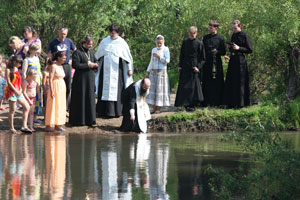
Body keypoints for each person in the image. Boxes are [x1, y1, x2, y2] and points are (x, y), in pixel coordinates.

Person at [95, 24, 134, 117]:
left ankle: (116, 111)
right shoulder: (105, 41)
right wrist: (96, 65)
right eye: (111, 33)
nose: (112, 35)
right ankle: (103, 111)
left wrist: (129, 69)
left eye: (114, 33)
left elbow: (128, 57)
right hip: (105, 70)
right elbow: (98, 55)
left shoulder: (122, 43)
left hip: (117, 71)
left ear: (118, 33)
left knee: (117, 89)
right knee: (103, 88)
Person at [174, 26, 206, 111]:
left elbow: (203, 58)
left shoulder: (199, 43)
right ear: (188, 33)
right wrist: (180, 65)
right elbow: (182, 54)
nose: (191, 36)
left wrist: (198, 67)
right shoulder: (185, 42)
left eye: (193, 34)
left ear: (196, 33)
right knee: (184, 86)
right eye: (190, 34)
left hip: (194, 66)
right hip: (185, 66)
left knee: (193, 87)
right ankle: (184, 103)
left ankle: (193, 104)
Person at [223, 20, 252, 108]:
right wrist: (230, 48)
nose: (234, 30)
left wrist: (238, 48)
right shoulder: (233, 35)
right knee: (232, 80)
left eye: (235, 28)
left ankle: (241, 103)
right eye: (233, 28)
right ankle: (232, 102)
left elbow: (249, 50)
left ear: (240, 26)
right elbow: (233, 49)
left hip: (240, 61)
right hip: (233, 60)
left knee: (240, 81)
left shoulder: (244, 35)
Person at [69, 36, 98, 126]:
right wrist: (88, 65)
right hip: (80, 80)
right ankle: (79, 121)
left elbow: (95, 61)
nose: (90, 46)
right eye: (89, 44)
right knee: (80, 98)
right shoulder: (77, 52)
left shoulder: (91, 52)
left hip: (90, 78)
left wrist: (96, 64)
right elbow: (75, 65)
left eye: (91, 45)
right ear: (84, 43)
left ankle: (91, 120)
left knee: (90, 97)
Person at [48, 27, 76, 110]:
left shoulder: (69, 41)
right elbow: (49, 53)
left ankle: (65, 107)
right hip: (57, 66)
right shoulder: (53, 42)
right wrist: (50, 62)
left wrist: (72, 59)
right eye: (61, 34)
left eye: (65, 34)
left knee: (67, 86)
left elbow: (75, 51)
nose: (63, 35)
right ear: (58, 33)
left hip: (67, 66)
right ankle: (57, 105)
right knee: (57, 86)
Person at [5, 55, 31, 134]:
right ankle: (11, 128)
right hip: (12, 92)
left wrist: (20, 90)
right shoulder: (8, 69)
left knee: (27, 106)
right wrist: (16, 91)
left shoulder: (16, 68)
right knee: (12, 110)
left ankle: (24, 126)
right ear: (14, 62)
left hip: (18, 91)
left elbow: (18, 81)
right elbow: (9, 83)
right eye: (19, 63)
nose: (20, 65)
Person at [202, 20, 226, 106]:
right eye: (209, 27)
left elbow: (224, 52)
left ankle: (217, 101)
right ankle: (206, 101)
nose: (209, 29)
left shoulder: (220, 38)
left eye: (211, 27)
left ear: (216, 28)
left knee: (217, 81)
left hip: (217, 62)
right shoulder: (205, 38)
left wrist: (217, 52)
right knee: (207, 81)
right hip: (207, 62)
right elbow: (203, 50)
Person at [146, 35, 170, 114]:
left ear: (163, 42)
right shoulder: (153, 50)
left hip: (161, 71)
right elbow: (151, 61)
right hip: (153, 71)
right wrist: (148, 71)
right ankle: (153, 107)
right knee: (153, 89)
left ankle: (158, 108)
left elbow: (167, 60)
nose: (159, 45)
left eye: (160, 43)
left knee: (159, 89)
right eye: (158, 43)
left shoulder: (165, 49)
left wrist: (160, 56)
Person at [45, 51, 67, 131]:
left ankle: (58, 124)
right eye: (63, 58)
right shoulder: (53, 66)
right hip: (55, 86)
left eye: (65, 58)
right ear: (58, 57)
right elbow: (50, 79)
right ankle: (49, 124)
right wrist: (51, 90)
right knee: (53, 105)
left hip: (61, 87)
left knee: (60, 105)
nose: (65, 59)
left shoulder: (61, 66)